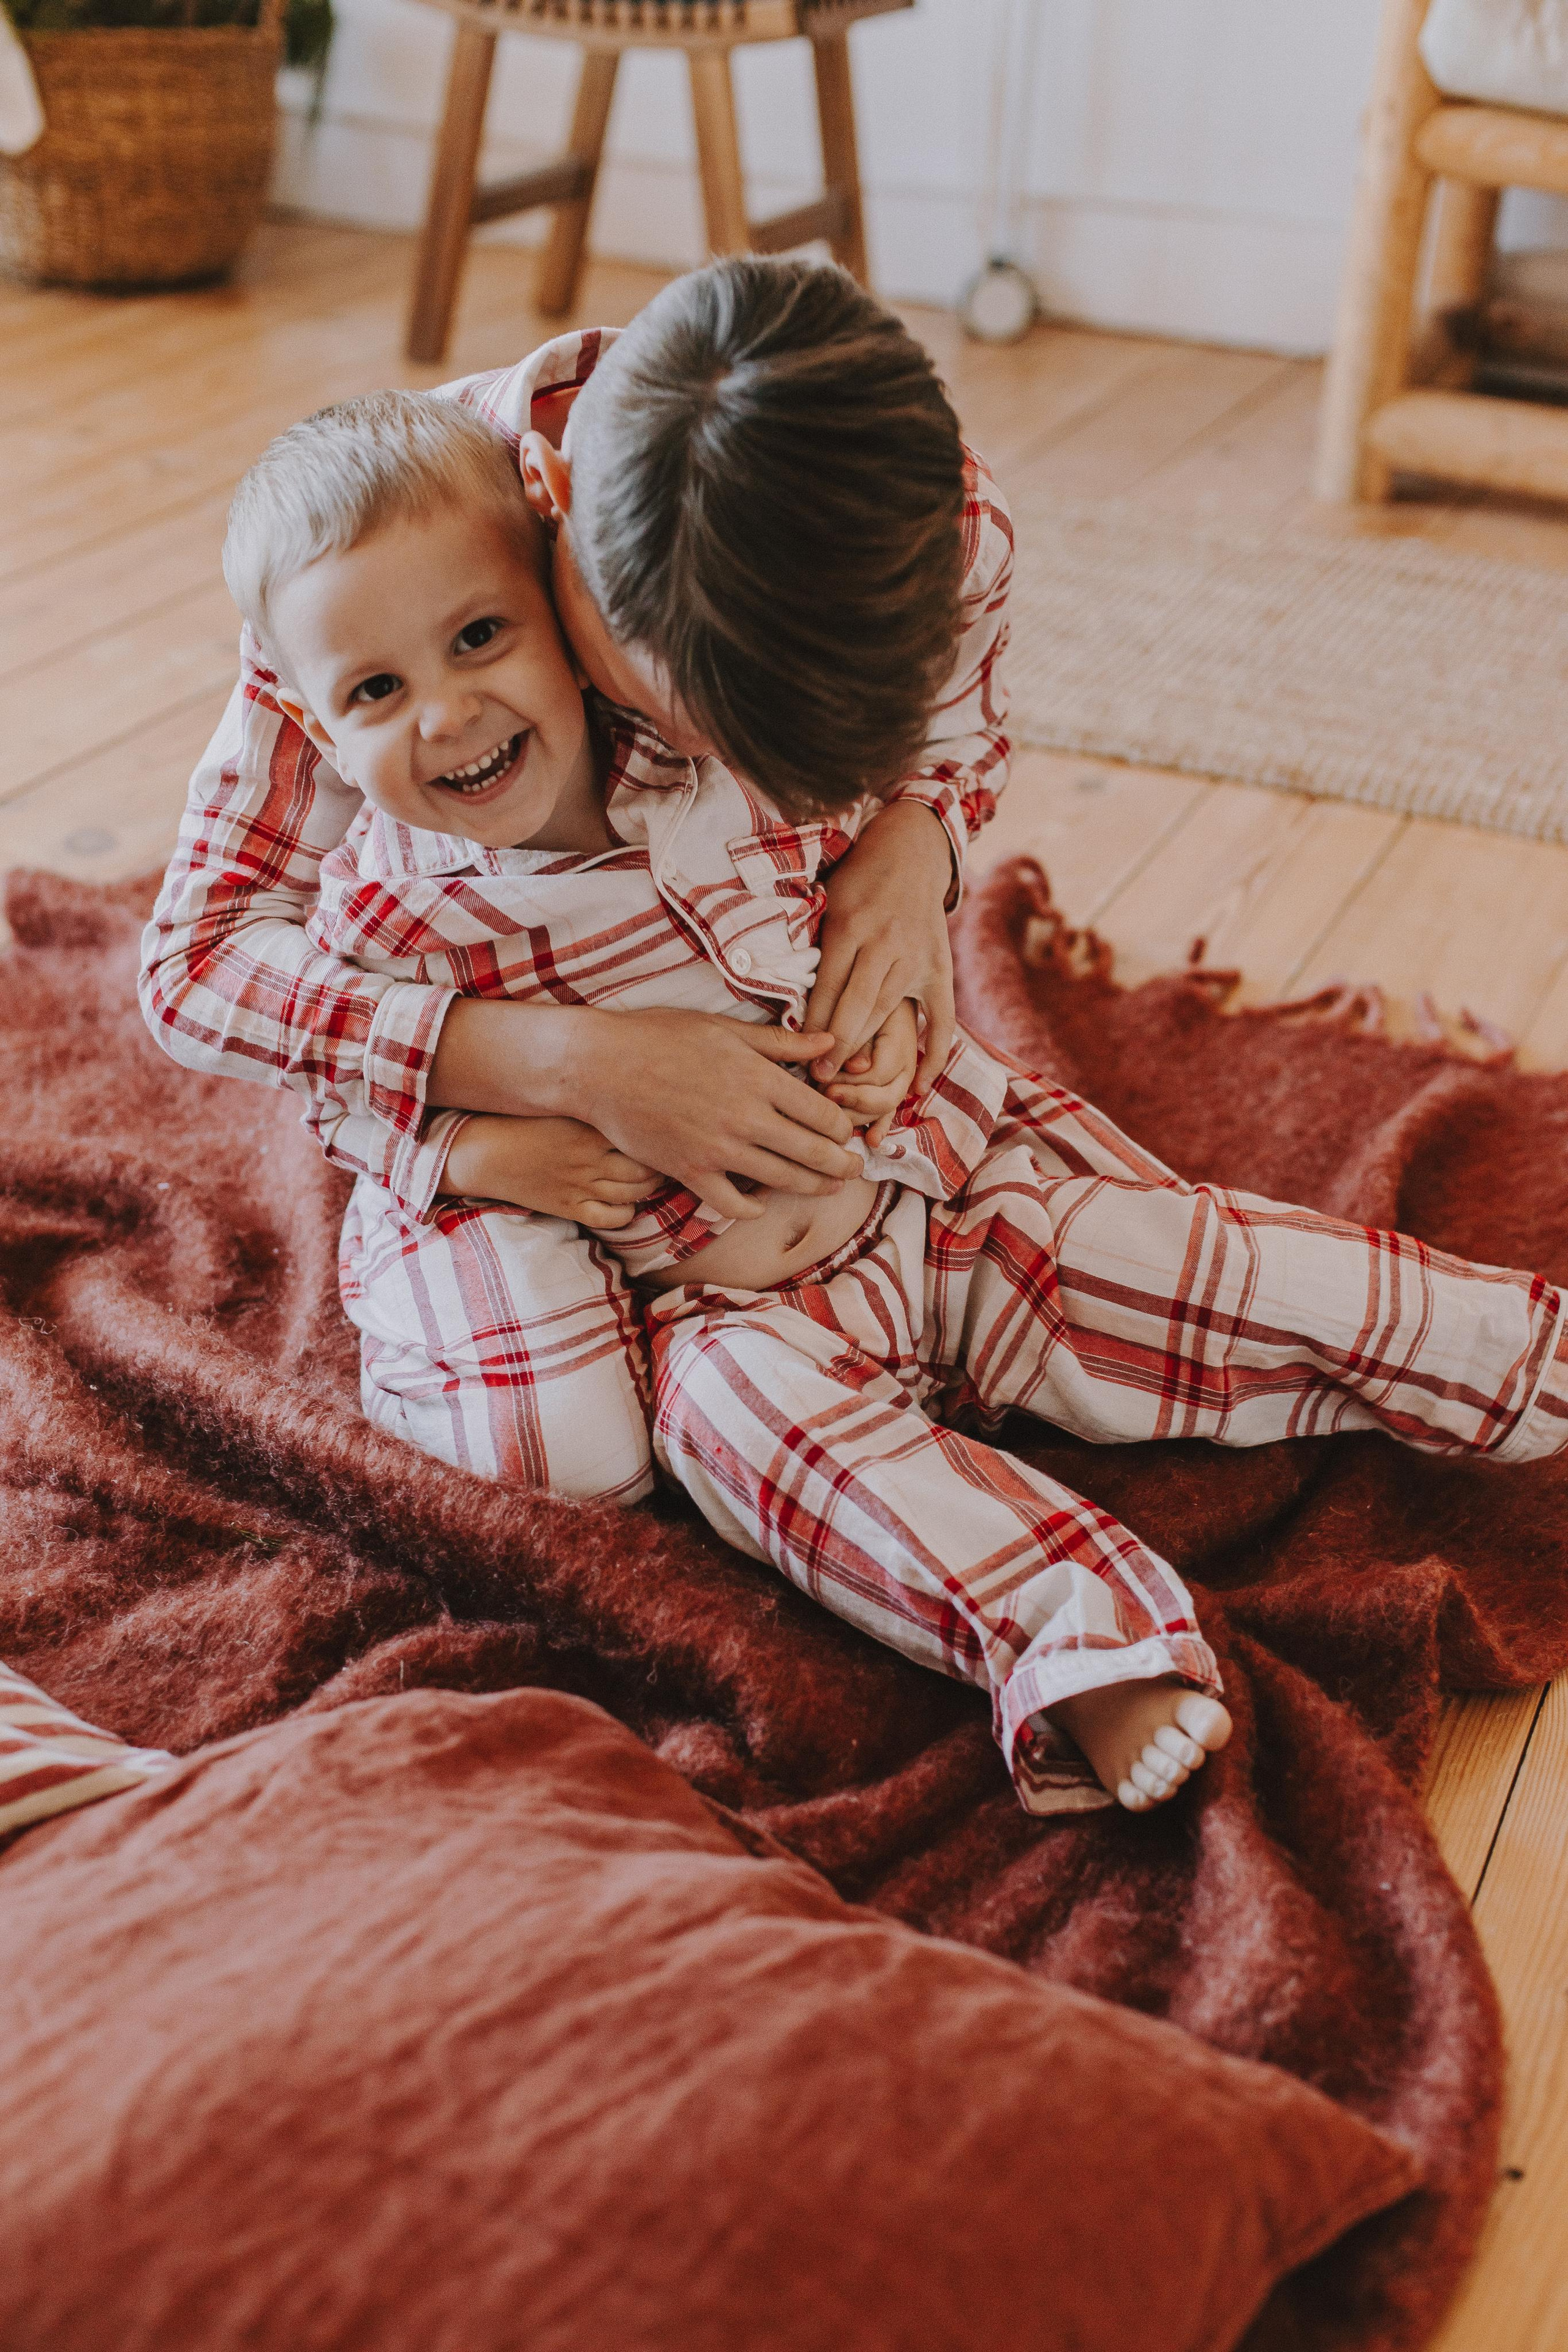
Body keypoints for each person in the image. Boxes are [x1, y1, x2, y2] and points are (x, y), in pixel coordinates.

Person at [141, 260, 1568, 1821]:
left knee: (1153, 1253)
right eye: (692, 725)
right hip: (712, 1301)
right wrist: (553, 1079)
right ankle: (1082, 1646)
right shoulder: (383, 591)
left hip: (910, 1179)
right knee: (747, 1430)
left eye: (787, 770)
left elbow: (948, 730)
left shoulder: (920, 527)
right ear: (563, 563)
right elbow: (221, 985)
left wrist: (911, 855)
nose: (452, 704)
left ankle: (1518, 1354)